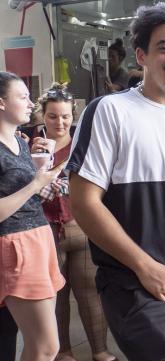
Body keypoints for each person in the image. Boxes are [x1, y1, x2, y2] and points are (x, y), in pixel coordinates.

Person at [66, 3, 165, 360]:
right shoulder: (110, 110)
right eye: (164, 47)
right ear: (141, 55)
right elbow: (83, 202)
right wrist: (145, 266)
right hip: (139, 287)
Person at [29, 83, 117, 361]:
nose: (60, 122)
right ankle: (63, 350)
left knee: (89, 292)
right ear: (43, 115)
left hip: (81, 227)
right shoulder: (30, 145)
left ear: (73, 116)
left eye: (65, 116)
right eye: (53, 116)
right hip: (44, 230)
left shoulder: (85, 141)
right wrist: (35, 164)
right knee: (55, 296)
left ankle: (99, 350)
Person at [0, 71, 66, 360]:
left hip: (40, 237)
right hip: (16, 244)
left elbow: (31, 194)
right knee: (46, 346)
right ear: (1, 103)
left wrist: (46, 181)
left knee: (40, 344)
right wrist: (36, 184)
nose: (30, 104)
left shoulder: (20, 140)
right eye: (23, 97)